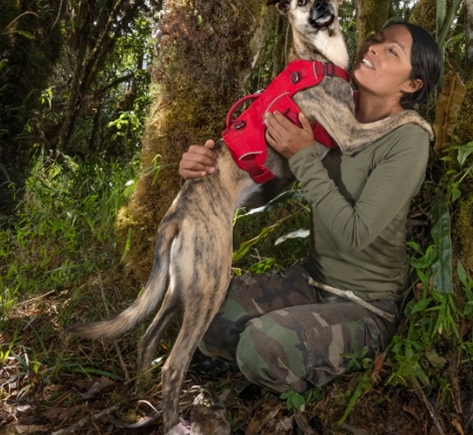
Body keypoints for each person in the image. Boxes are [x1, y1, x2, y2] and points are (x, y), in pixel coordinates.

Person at [177, 21, 443, 395]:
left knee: (261, 346)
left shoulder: (409, 137)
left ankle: (281, 367)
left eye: (392, 52)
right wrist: (208, 171)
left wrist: (303, 157)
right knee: (207, 311)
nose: (374, 49)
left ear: (412, 84)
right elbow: (268, 186)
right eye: (377, 41)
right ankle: (258, 357)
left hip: (365, 306)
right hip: (311, 280)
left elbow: (355, 234)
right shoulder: (330, 105)